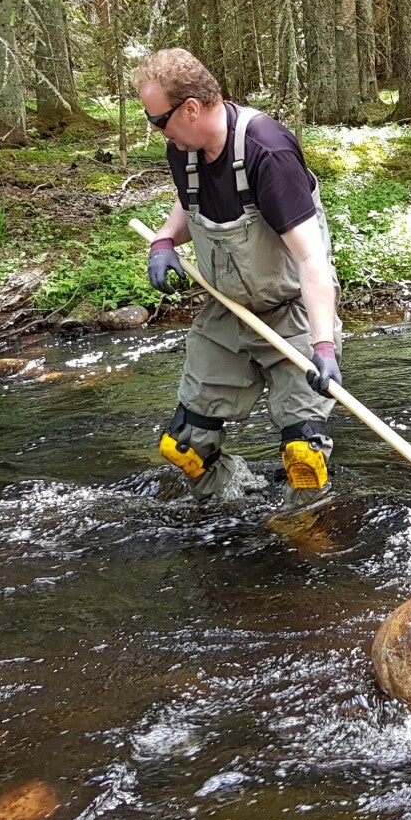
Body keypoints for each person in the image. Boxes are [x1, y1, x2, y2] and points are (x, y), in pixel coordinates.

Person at [137, 48, 342, 497]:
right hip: (225, 315)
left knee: (302, 458)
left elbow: (311, 259)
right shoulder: (183, 148)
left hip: (292, 318)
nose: (157, 132)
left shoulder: (267, 152)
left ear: (190, 108)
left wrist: (324, 346)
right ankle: (237, 507)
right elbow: (190, 201)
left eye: (158, 120)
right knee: (185, 447)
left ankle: (306, 532)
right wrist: (165, 239)